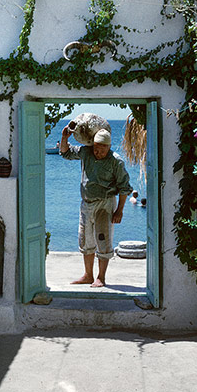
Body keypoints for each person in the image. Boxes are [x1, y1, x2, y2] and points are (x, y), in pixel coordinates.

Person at [60, 123, 132, 287]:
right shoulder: (87, 152)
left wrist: (119, 211)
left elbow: (124, 188)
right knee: (85, 240)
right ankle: (88, 275)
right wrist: (64, 137)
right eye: (96, 149)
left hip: (105, 205)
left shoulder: (116, 161)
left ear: (109, 147)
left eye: (102, 150)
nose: (97, 152)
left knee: (103, 239)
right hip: (86, 204)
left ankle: (101, 277)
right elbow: (65, 153)